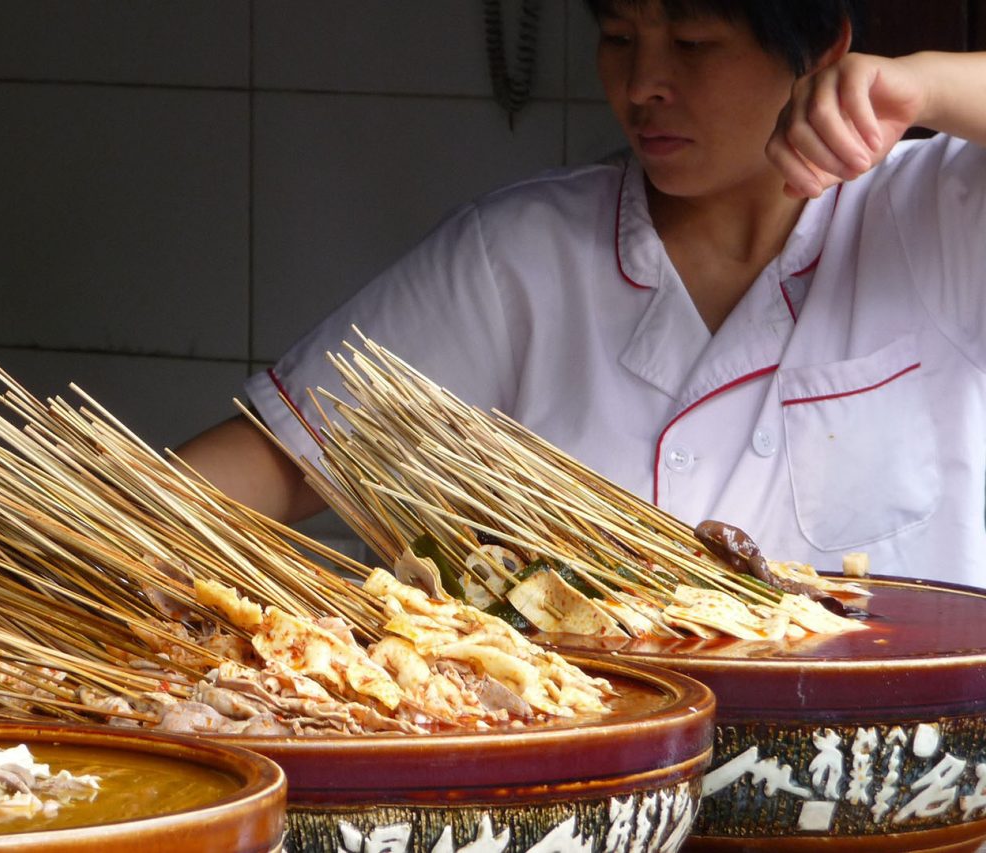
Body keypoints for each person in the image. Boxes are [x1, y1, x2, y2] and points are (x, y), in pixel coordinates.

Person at [177, 0, 986, 587]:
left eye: (694, 40)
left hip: (909, 812)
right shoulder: (522, 252)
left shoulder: (933, 215)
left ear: (822, 48)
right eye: (618, 36)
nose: (643, 83)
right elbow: (281, 459)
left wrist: (926, 86)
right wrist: (76, 531)